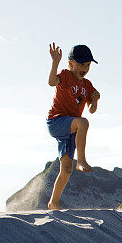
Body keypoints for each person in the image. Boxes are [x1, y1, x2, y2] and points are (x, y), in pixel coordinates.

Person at [45, 43, 100, 210]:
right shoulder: (66, 75)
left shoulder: (87, 85)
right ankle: (81, 160)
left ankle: (53, 202)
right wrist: (55, 62)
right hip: (57, 121)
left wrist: (95, 100)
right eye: (81, 64)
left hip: (71, 129)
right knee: (82, 122)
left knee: (66, 169)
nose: (85, 68)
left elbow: (91, 109)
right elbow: (51, 82)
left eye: (87, 65)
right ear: (70, 64)